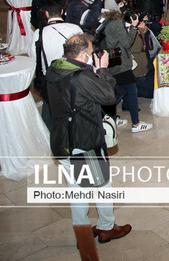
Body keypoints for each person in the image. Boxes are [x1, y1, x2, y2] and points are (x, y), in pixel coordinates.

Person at [45, 34, 132, 243]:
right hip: (84, 141)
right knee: (102, 185)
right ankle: (106, 227)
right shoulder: (81, 77)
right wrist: (102, 70)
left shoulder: (55, 68)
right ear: (83, 55)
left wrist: (90, 72)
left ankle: (83, 234)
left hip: (62, 140)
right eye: (92, 53)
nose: (94, 55)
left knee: (76, 190)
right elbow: (109, 97)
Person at [28, 0, 82, 128]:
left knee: (49, 113)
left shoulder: (39, 33)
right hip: (74, 79)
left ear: (46, 14)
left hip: (51, 81)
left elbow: (33, 57)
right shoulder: (75, 29)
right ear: (62, 12)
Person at [99, 9, 153, 133]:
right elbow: (127, 43)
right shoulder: (117, 24)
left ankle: (111, 119)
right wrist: (133, 28)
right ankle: (136, 123)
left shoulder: (106, 23)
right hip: (121, 63)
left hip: (112, 62)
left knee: (118, 91)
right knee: (132, 92)